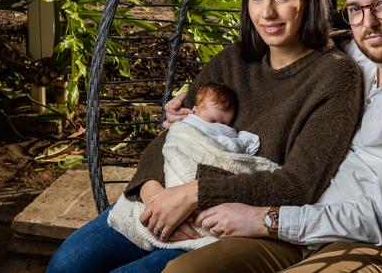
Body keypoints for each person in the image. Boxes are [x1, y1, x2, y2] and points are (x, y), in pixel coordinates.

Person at [46, 0, 364, 273]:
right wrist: (155, 193)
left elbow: (299, 183)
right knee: (66, 266)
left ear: (308, 0)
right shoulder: (231, 61)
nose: (266, 12)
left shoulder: (335, 76)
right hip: (164, 197)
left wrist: (194, 194)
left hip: (225, 223)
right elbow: (176, 134)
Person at [162, 0, 382, 273]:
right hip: (306, 223)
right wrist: (196, 103)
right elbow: (274, 60)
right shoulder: (358, 50)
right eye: (356, 9)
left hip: (380, 246)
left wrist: (265, 219)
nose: (370, 23)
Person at [108, 82, 281, 251]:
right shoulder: (224, 68)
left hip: (218, 215)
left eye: (224, 123)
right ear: (195, 111)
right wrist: (152, 193)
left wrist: (194, 193)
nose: (218, 127)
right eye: (212, 120)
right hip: (155, 194)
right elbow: (168, 140)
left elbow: (232, 156)